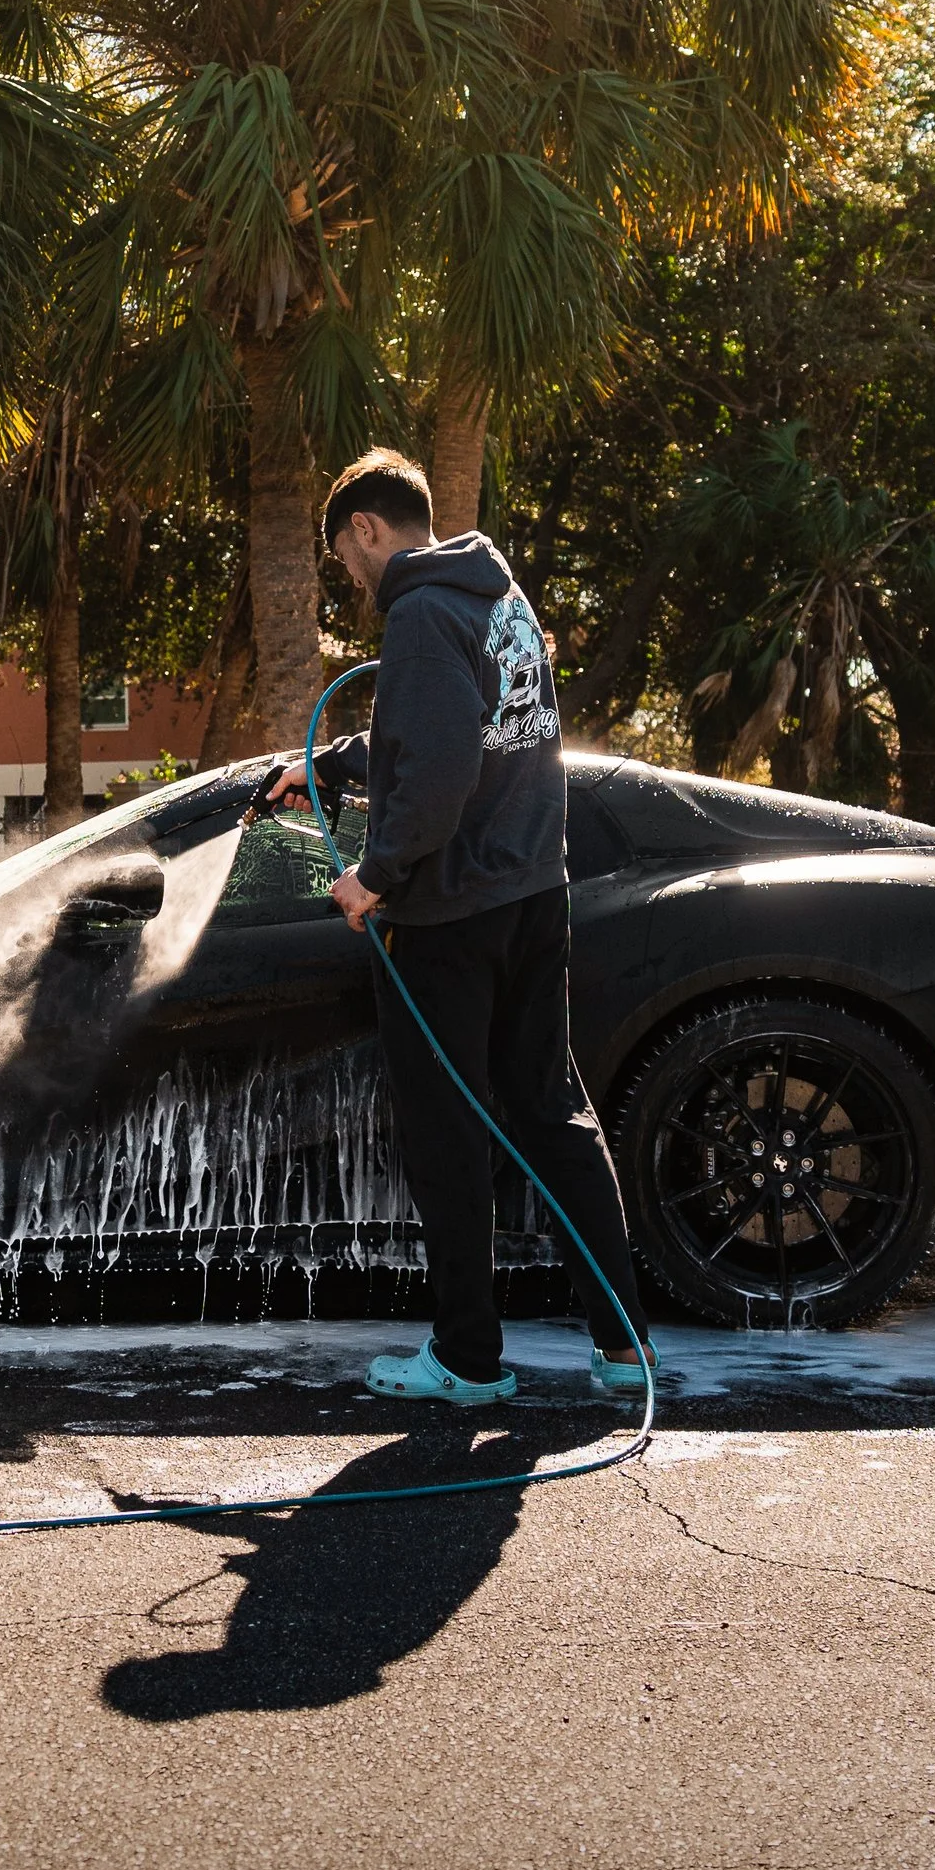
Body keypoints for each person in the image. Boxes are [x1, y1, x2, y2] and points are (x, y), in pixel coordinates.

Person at [269, 448, 650, 1407]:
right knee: (552, 1113)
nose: (350, 579)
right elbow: (464, 728)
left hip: (450, 915)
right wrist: (340, 763)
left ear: (365, 529)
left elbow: (437, 777)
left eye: (344, 559)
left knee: (448, 1135)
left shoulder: (419, 612)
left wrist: (373, 877)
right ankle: (622, 1344)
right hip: (531, 895)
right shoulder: (495, 594)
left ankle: (469, 1361)